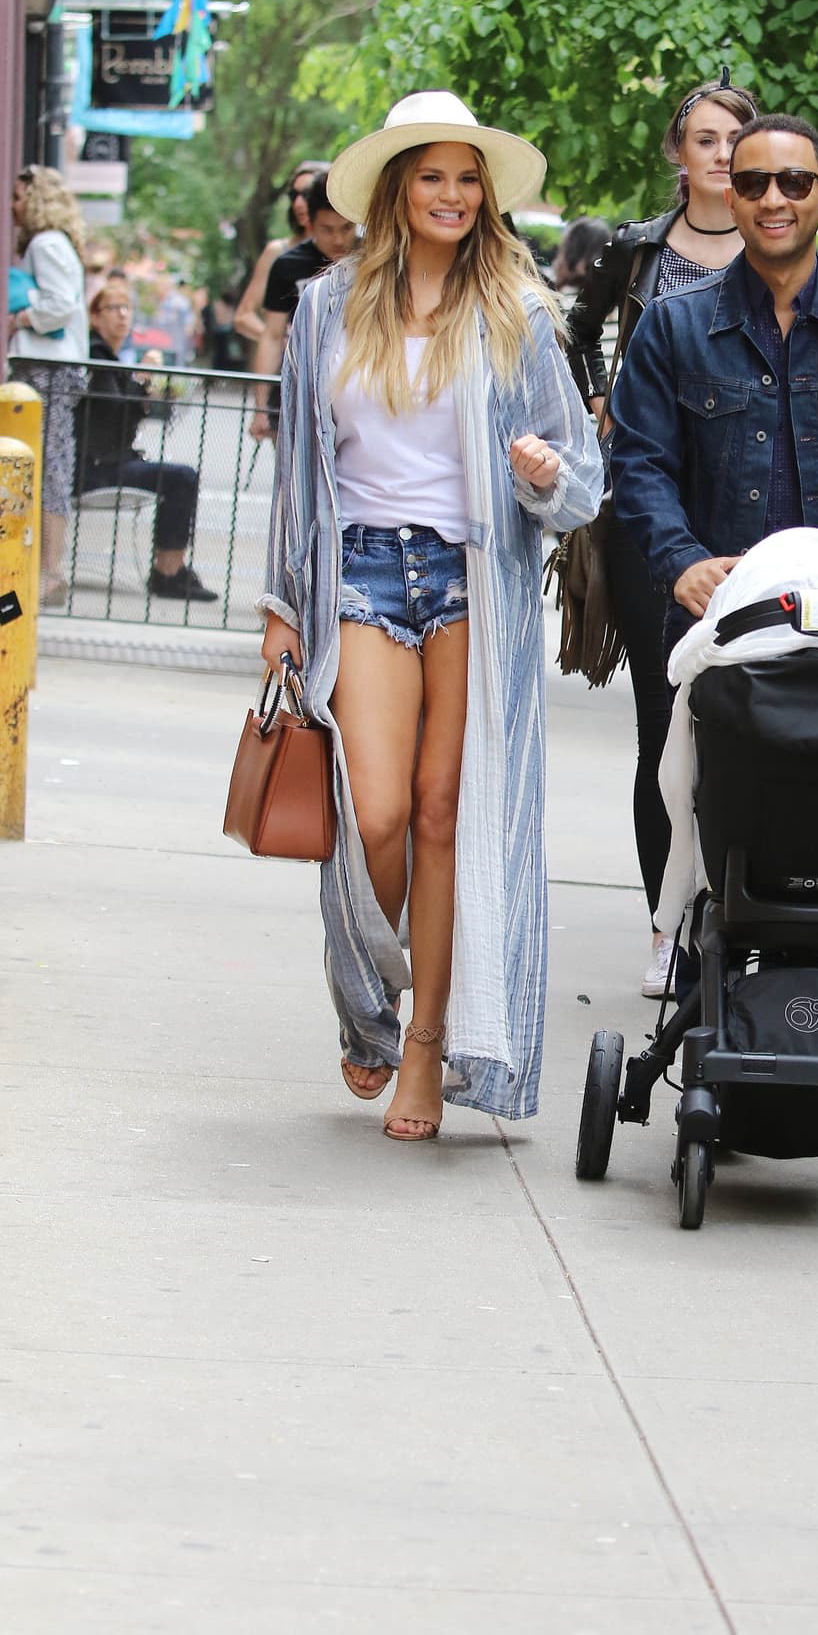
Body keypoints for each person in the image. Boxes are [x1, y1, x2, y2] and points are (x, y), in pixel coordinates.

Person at [258, 91, 603, 1140]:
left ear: (482, 195)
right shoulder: (325, 307)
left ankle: (425, 1047)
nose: (450, 194)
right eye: (431, 176)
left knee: (447, 811)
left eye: (466, 178)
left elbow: (579, 480)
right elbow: (297, 478)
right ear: (397, 189)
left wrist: (542, 470)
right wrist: (281, 608)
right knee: (375, 817)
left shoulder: (519, 312)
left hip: (471, 582)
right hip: (359, 572)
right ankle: (375, 989)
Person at [564, 73, 759, 998]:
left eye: (736, 141)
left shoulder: (776, 247)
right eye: (707, 140)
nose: (722, 156)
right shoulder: (637, 250)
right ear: (678, 154)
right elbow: (574, 329)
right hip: (649, 509)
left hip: (752, 516)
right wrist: (597, 400)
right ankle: (665, 926)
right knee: (661, 725)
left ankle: (738, 916)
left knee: (745, 726)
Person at [610, 109, 818, 634]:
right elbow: (641, 465)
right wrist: (681, 561)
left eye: (794, 182)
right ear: (732, 200)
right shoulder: (671, 325)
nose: (773, 200)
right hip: (716, 620)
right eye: (752, 184)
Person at [76, 277, 218, 603]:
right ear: (95, 317)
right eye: (113, 308)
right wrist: (140, 380)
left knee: (180, 477)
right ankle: (168, 573)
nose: (122, 315)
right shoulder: (95, 355)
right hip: (96, 469)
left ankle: (170, 569)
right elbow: (112, 409)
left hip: (111, 462)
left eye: (126, 308)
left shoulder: (109, 358)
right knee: (181, 477)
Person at [7, 165, 90, 607]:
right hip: (47, 367)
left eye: (19, 197)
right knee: (41, 464)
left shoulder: (45, 243)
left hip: (48, 369)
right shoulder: (50, 244)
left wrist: (20, 316)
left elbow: (60, 303)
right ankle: (44, 567)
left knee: (49, 465)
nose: (13, 206)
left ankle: (50, 571)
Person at [248, 172, 356, 444]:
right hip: (301, 388)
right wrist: (260, 408)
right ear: (310, 222)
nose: (339, 240)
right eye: (327, 230)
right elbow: (271, 336)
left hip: (355, 386)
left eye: (346, 228)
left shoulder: (370, 259)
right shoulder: (287, 265)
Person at [232, 160, 328, 353]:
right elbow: (243, 317)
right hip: (288, 369)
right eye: (294, 195)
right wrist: (281, 341)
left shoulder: (350, 249)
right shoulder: (279, 252)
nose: (299, 203)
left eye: (306, 194)